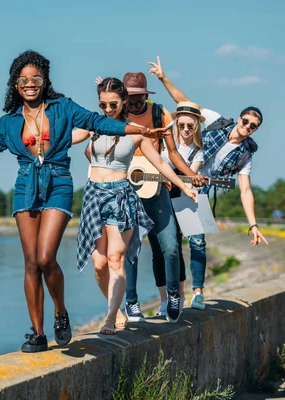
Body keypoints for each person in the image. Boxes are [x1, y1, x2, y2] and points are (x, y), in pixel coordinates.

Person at [0, 50, 164, 353]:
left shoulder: (63, 108)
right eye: (23, 80)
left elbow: (98, 122)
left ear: (44, 80)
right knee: (30, 262)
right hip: (26, 186)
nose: (30, 84)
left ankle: (60, 311)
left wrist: (136, 128)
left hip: (58, 184)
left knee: (46, 257)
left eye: (35, 78)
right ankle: (37, 333)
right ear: (15, 85)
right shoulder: (8, 122)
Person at [75, 78, 198, 334]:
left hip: (121, 196)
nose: (107, 110)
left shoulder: (136, 133)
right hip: (94, 196)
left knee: (116, 258)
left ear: (123, 104)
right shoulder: (93, 126)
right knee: (99, 264)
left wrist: (184, 185)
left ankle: (111, 317)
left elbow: (162, 164)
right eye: (102, 105)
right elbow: (65, 136)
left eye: (112, 105)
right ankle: (118, 308)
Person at [148, 56, 269, 246]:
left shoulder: (246, 154)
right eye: (245, 121)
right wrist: (163, 78)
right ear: (239, 119)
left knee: (197, 242)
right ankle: (175, 276)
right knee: (169, 240)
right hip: (176, 175)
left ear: (256, 130)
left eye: (253, 126)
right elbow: (186, 103)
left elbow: (245, 190)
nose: (247, 126)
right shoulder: (217, 121)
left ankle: (193, 277)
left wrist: (253, 224)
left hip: (199, 189)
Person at [120, 72, 207, 324]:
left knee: (170, 248)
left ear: (146, 97)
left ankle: (173, 296)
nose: (134, 106)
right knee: (131, 250)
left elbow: (172, 153)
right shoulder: (117, 114)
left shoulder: (160, 113)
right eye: (130, 101)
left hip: (158, 189)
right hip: (127, 190)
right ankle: (132, 302)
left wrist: (190, 176)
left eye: (138, 101)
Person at [160, 101, 209, 311]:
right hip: (165, 195)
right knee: (173, 245)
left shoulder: (199, 151)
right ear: (176, 124)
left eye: (191, 126)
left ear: (197, 126)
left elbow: (191, 173)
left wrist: (191, 177)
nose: (186, 130)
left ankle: (198, 292)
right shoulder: (163, 144)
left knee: (197, 243)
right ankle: (177, 295)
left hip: (190, 195)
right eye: (182, 126)